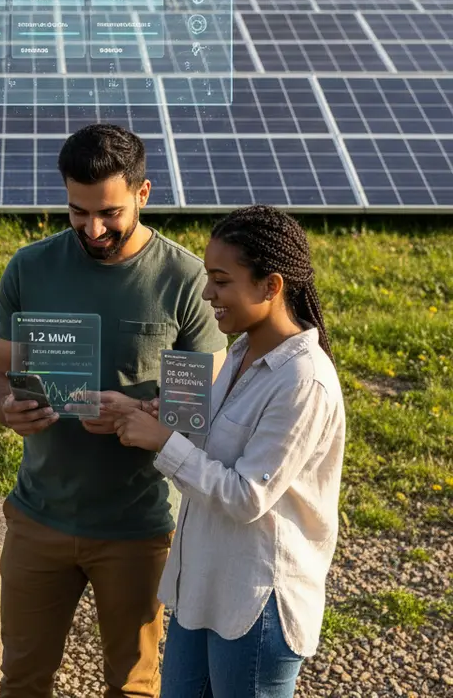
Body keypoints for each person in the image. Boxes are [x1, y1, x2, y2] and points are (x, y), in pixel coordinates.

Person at [0, 123, 227, 698]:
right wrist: (6, 410)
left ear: (143, 194)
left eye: (110, 213)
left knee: (133, 685)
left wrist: (136, 413)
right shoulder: (29, 268)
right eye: (78, 212)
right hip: (39, 515)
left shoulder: (185, 280)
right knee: (21, 680)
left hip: (137, 525)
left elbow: (204, 411)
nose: (93, 229)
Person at [114, 205, 346, 698]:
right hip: (202, 587)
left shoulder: (303, 380)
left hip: (255, 604)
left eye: (221, 281)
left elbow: (246, 496)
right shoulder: (240, 351)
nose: (207, 294)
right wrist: (169, 422)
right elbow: (215, 453)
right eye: (208, 278)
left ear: (271, 286)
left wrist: (165, 443)